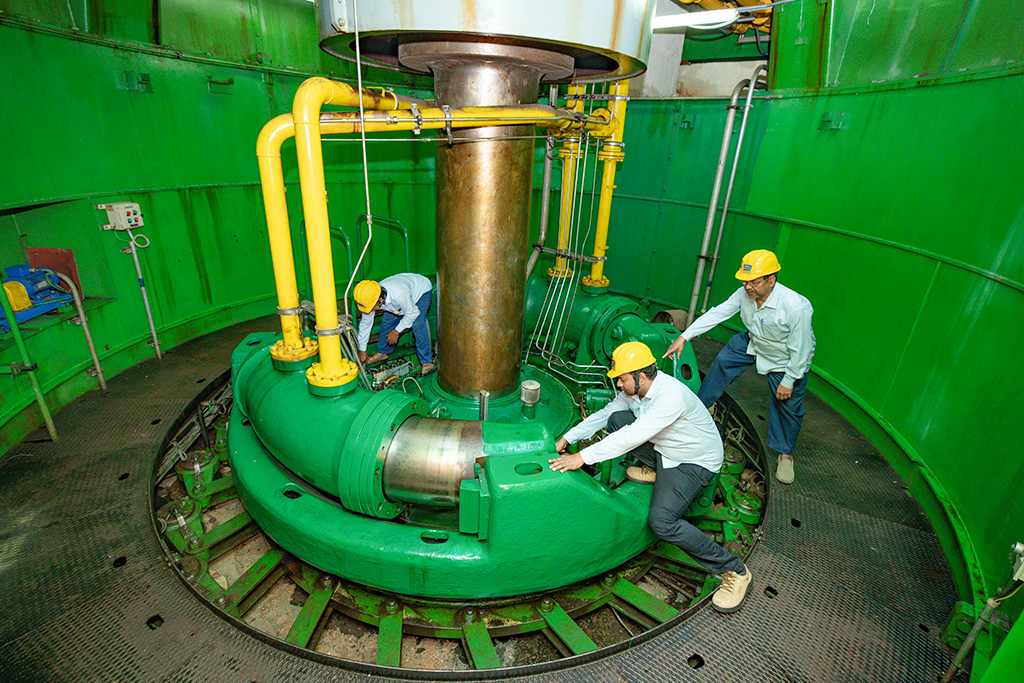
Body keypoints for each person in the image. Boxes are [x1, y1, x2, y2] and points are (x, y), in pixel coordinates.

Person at [548, 341, 753, 614]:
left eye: (622, 379)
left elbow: (632, 436)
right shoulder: (637, 391)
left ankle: (734, 570)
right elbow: (605, 415)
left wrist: (581, 458)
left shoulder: (670, 397)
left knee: (662, 522)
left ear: (641, 376)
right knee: (616, 419)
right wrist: (567, 438)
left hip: (692, 461)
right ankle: (657, 471)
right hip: (665, 449)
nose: (619, 384)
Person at [664, 249, 814, 484]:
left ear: (771, 280)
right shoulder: (745, 294)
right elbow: (718, 313)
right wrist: (684, 337)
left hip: (785, 358)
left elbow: (802, 349)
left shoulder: (795, 307)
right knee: (724, 361)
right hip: (754, 341)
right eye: (745, 281)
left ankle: (785, 455)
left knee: (787, 405)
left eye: (754, 281)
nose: (747, 286)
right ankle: (703, 405)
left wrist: (789, 379)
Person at [354, 273, 435, 374]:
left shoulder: (398, 294)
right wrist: (362, 350)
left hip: (420, 291)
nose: (369, 310)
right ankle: (382, 352)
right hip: (401, 299)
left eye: (371, 307)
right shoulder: (369, 299)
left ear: (380, 300)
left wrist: (396, 331)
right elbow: (365, 323)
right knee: (387, 322)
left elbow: (413, 313)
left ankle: (426, 362)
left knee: (418, 325)